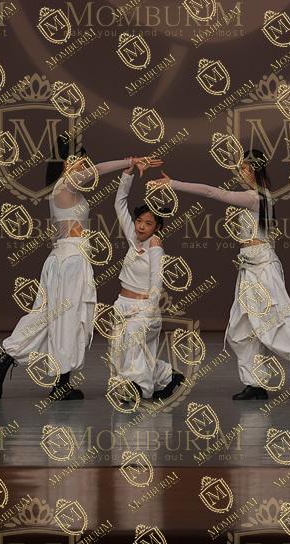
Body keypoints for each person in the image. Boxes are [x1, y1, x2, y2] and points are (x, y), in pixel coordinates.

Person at [0, 136, 161, 401]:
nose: (85, 166)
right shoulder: (67, 183)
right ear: (67, 161)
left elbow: (60, 228)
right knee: (68, 319)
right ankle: (59, 383)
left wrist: (128, 169)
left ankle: (3, 363)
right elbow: (98, 170)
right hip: (71, 261)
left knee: (45, 318)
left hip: (60, 260)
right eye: (81, 161)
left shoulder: (59, 188)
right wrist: (130, 162)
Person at [150, 149, 290, 402]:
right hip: (250, 266)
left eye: (243, 167)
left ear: (254, 169)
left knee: (275, 318)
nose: (239, 171)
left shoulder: (256, 197)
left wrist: (174, 183)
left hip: (262, 266)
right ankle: (256, 383)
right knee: (240, 330)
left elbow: (211, 192)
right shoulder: (260, 196)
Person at [108, 159, 184, 402]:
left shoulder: (155, 245)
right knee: (121, 353)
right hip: (123, 305)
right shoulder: (134, 238)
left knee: (133, 345)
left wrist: (150, 310)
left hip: (144, 309)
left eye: (148, 223)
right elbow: (119, 205)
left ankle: (139, 389)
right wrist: (127, 175)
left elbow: (156, 279)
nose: (141, 226)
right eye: (139, 220)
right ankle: (167, 376)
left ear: (157, 227)